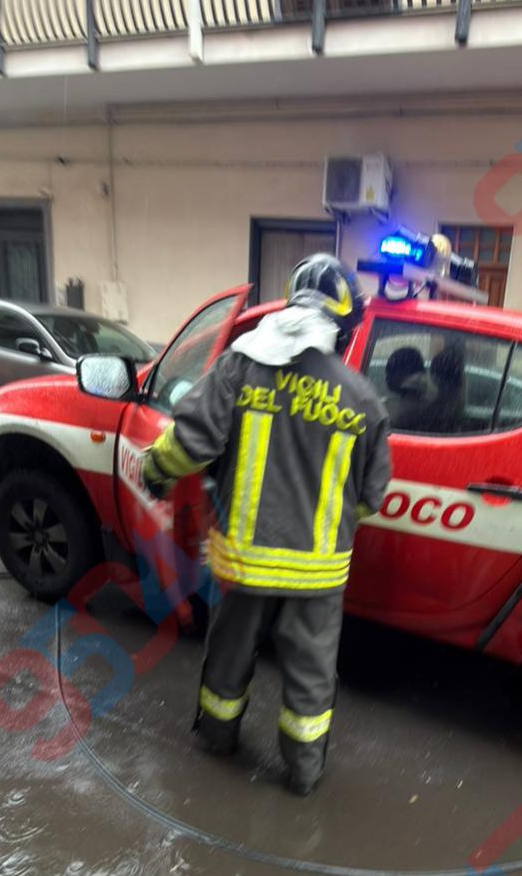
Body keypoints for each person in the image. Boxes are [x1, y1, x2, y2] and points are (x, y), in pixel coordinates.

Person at [140, 254, 391, 795]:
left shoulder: (239, 366)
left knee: (230, 655)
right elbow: (370, 497)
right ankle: (303, 773)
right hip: (320, 575)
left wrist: (153, 470)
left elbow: (188, 445)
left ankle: (217, 739)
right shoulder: (365, 401)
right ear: (345, 331)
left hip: (243, 564)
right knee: (311, 675)